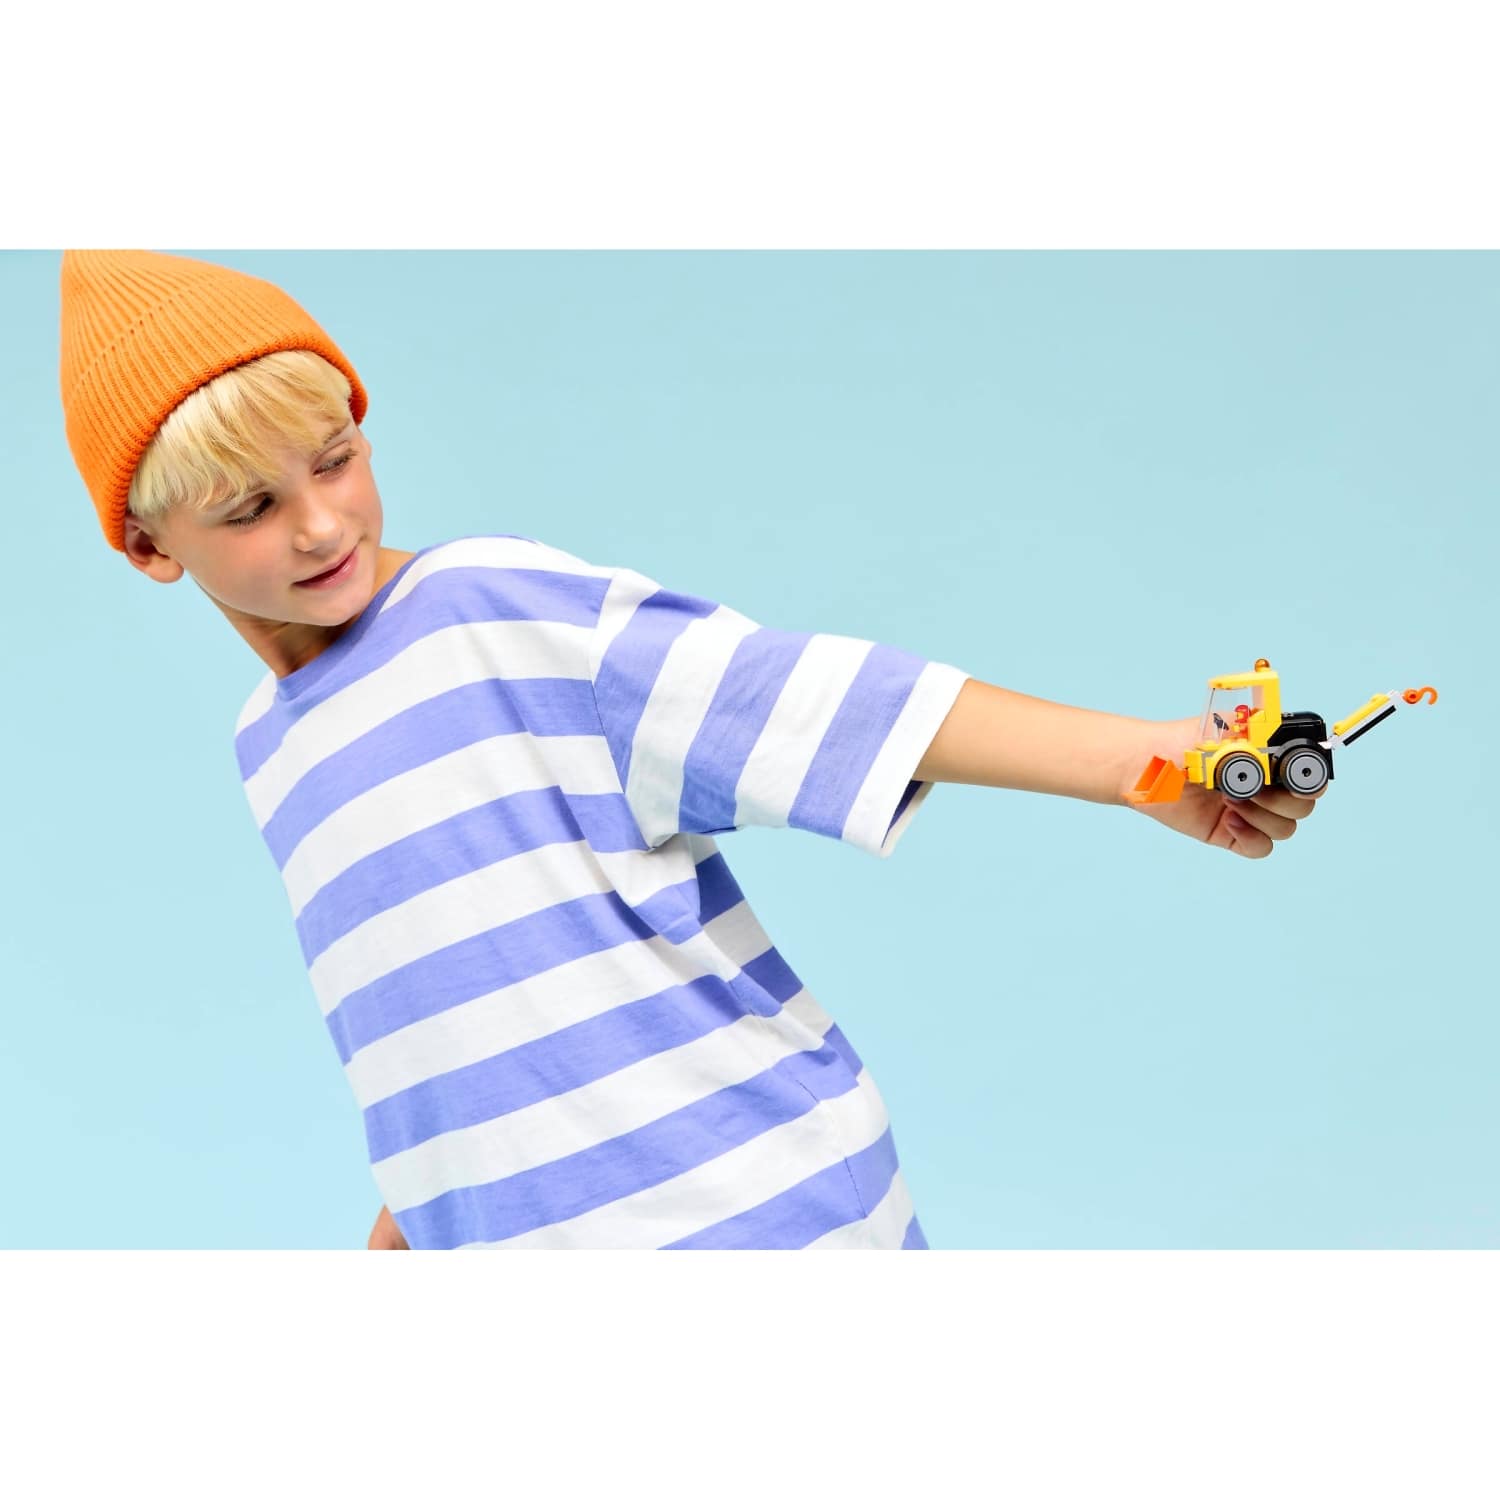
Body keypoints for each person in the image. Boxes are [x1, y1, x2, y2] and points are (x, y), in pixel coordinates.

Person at [59, 249, 1323, 1250]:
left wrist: (1140, 764)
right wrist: (420, 1217)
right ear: (152, 547)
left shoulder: (491, 612)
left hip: (752, 1214)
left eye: (334, 461)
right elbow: (445, 1014)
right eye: (252, 507)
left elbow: (817, 700)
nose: (321, 523)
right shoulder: (269, 750)